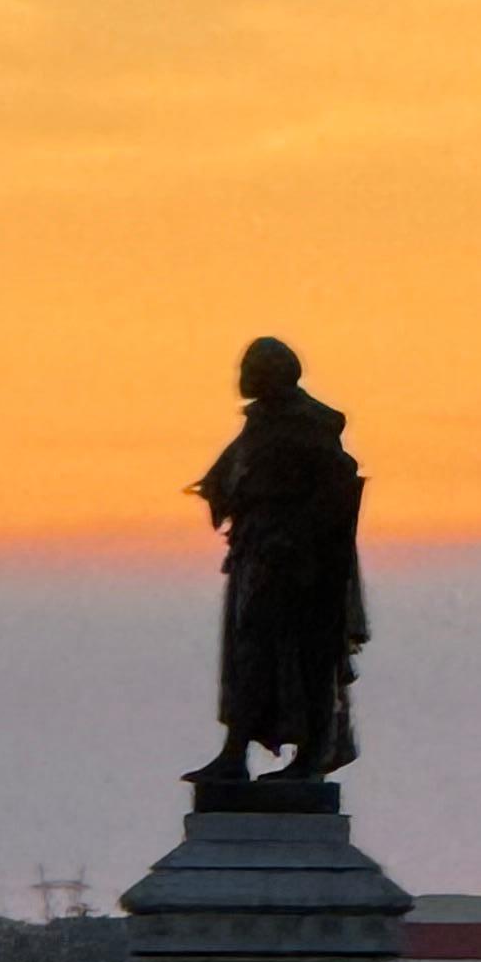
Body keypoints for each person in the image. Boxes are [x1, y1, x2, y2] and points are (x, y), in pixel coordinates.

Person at [185, 336, 369, 787]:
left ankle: (310, 756)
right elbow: (231, 472)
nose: (242, 378)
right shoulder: (261, 424)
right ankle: (235, 753)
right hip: (257, 555)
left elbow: (335, 494)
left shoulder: (308, 425)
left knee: (307, 659)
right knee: (249, 656)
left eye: (251, 368)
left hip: (299, 564)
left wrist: (297, 543)